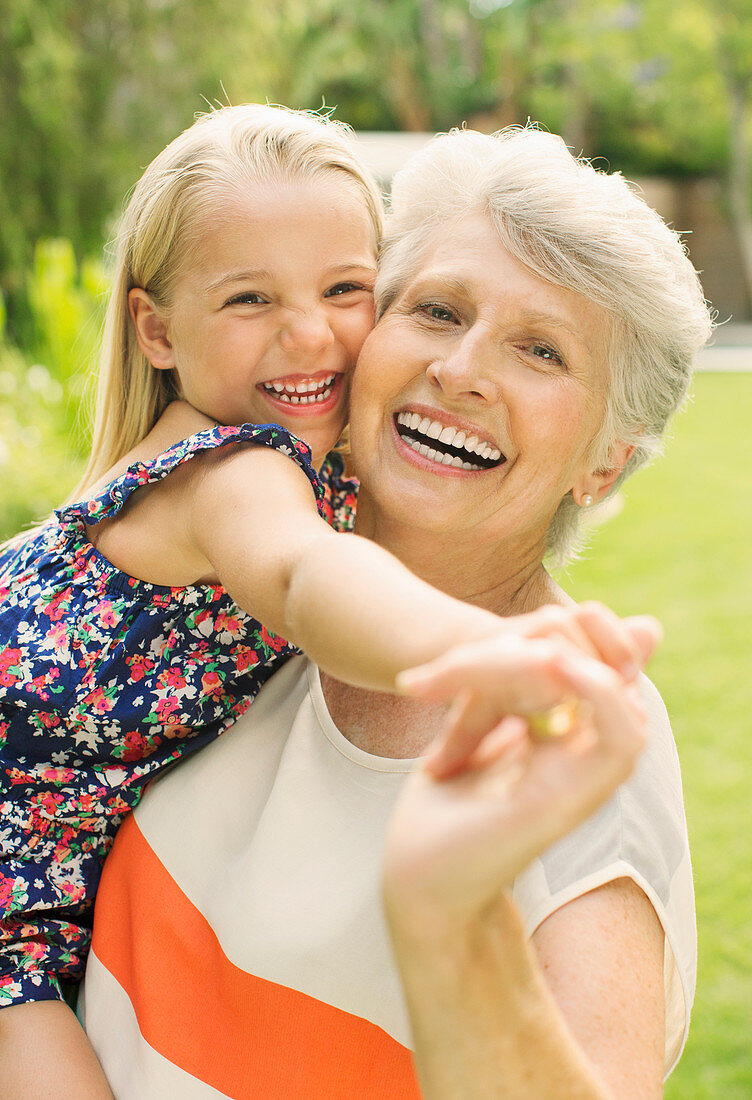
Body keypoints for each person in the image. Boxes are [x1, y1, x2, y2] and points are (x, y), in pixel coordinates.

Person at [0, 107, 651, 1092]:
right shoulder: (234, 468)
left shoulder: (277, 458)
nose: (307, 333)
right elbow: (309, 579)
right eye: (249, 298)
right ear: (156, 328)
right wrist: (482, 646)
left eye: (345, 288)